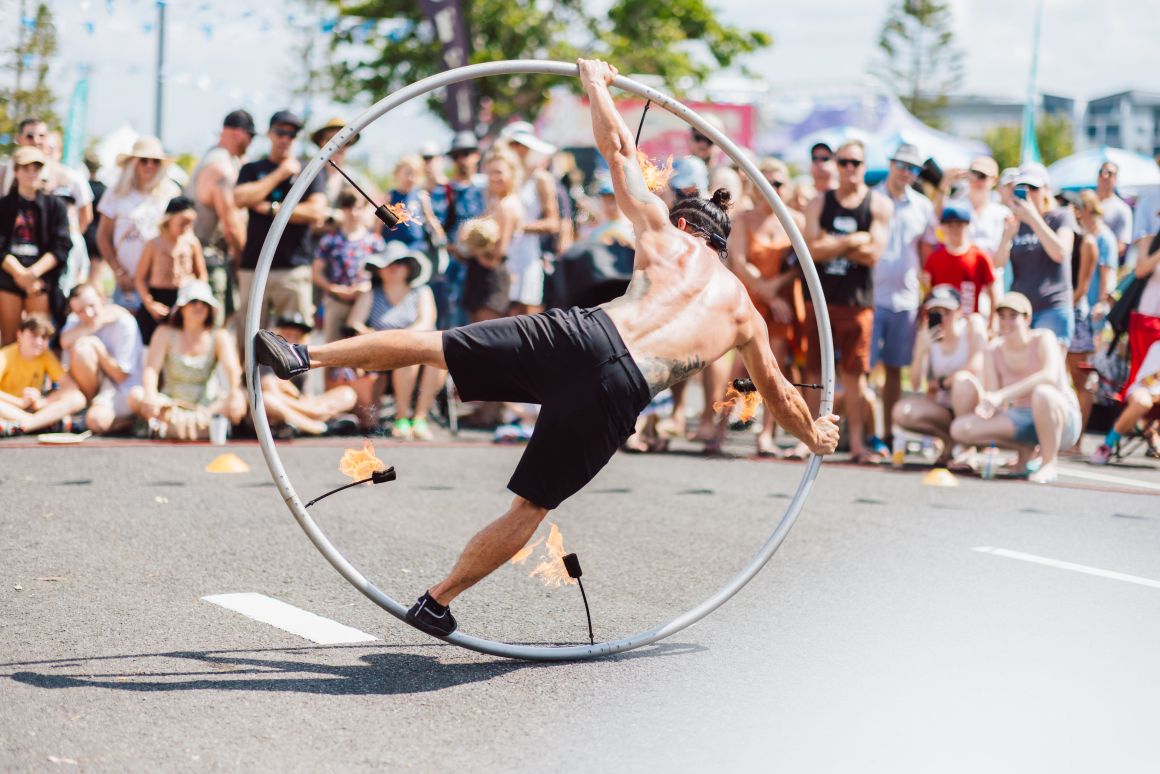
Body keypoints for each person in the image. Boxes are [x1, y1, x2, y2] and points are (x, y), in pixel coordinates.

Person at [253, 58, 840, 638]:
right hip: (623, 391)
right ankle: (437, 600)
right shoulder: (743, 311)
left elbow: (618, 151)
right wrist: (815, 434)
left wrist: (595, 84)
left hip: (582, 338)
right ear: (720, 244)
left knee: (434, 344)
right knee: (530, 509)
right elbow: (781, 395)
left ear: (686, 228)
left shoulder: (664, 233)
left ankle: (307, 357)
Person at [802, 139, 892, 463]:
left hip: (857, 303)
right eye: (843, 162)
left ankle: (856, 444)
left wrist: (832, 243)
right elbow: (811, 249)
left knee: (855, 377)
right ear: (836, 166)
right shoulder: (819, 202)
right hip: (821, 301)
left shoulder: (878, 204)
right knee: (814, 373)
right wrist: (855, 239)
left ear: (865, 166)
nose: (849, 168)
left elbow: (873, 255)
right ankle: (807, 438)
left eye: (855, 162)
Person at [950, 293, 1081, 484]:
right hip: (1022, 418)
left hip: (1062, 421)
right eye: (1002, 317)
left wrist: (1002, 396)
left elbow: (1049, 376)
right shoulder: (993, 349)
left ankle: (1048, 463)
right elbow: (994, 397)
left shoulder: (1044, 338)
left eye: (1013, 316)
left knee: (1042, 393)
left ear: (1027, 319)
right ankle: (1024, 451)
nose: (1006, 322)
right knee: (960, 428)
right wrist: (988, 407)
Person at [725, 157, 807, 456]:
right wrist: (770, 294)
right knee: (739, 367)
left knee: (776, 369)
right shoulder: (744, 220)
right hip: (752, 302)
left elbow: (803, 265)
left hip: (783, 305)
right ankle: (717, 426)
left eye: (778, 183)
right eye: (766, 182)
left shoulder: (796, 221)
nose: (771, 189)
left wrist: (778, 289)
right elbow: (740, 262)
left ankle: (766, 434)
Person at [234, 110, 328, 357]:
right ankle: (250, 393)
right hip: (254, 267)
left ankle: (295, 391)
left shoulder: (309, 169)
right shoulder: (253, 168)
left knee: (295, 340)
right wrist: (281, 174)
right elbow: (241, 197)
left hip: (293, 267)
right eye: (280, 132)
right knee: (248, 339)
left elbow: (317, 211)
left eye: (292, 133)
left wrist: (272, 208)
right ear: (269, 133)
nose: (285, 138)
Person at [871, 143, 939, 450]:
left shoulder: (923, 206)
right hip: (871, 295)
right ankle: (865, 431)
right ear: (890, 164)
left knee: (896, 369)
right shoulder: (872, 197)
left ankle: (889, 432)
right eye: (901, 165)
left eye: (912, 168)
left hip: (906, 298)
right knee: (863, 368)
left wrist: (927, 295)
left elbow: (926, 252)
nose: (906, 172)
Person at [128, 280, 246, 440]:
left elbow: (233, 371)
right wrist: (149, 393)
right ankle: (201, 430)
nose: (199, 306)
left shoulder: (219, 336)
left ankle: (170, 430)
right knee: (136, 395)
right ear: (181, 308)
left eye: (204, 303)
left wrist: (235, 394)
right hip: (170, 405)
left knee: (242, 397)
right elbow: (151, 369)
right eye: (193, 302)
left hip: (207, 407)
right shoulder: (164, 333)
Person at [346, 243, 438, 440]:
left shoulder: (422, 292)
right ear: (380, 270)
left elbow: (427, 322)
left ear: (409, 268)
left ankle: (419, 419)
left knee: (437, 362)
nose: (394, 267)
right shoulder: (371, 294)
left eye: (400, 263)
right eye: (389, 263)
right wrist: (375, 336)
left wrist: (402, 338)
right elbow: (355, 322)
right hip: (380, 352)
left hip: (416, 348)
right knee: (406, 357)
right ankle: (402, 418)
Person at [892, 285, 986, 466]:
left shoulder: (972, 326)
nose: (942, 318)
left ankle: (967, 448)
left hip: (973, 407)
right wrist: (922, 351)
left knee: (961, 381)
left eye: (947, 312)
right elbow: (914, 383)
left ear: (959, 312)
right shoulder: (926, 335)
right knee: (902, 412)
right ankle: (950, 444)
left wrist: (943, 383)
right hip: (944, 408)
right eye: (936, 312)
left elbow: (974, 367)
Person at [1091, 226, 1160, 463]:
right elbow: (1141, 270)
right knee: (1141, 399)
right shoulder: (1149, 240)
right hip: (1146, 326)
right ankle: (1108, 445)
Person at [993, 164, 1076, 349]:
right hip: (1019, 309)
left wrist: (1033, 219)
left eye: (1034, 188)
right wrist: (1007, 236)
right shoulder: (1014, 221)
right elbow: (997, 264)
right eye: (1023, 188)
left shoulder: (1060, 216)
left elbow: (1061, 253)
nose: (1029, 193)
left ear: (1046, 190)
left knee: (1050, 371)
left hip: (1053, 306)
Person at [96, 136, 181, 314]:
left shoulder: (171, 193)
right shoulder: (116, 193)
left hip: (161, 280)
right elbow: (103, 236)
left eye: (155, 161)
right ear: (133, 163)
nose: (150, 165)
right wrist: (118, 271)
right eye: (144, 160)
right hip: (127, 278)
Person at [0, 146, 72, 344]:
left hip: (40, 280)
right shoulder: (4, 205)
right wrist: (19, 273)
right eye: (25, 168)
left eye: (36, 168)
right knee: (9, 340)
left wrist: (33, 273)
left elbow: (62, 245)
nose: (31, 173)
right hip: (8, 277)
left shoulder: (54, 205)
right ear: (16, 171)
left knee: (39, 338)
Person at [190, 109, 254, 327]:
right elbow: (230, 223)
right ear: (239, 133)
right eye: (251, 136)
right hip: (207, 259)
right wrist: (246, 256)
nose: (251, 143)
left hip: (204, 256)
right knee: (214, 325)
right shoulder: (220, 168)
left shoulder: (214, 158)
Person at [59, 283, 144, 435]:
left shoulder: (124, 322)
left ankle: (130, 421)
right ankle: (91, 409)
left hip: (123, 389)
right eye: (80, 311)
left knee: (97, 421)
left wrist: (97, 347)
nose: (88, 313)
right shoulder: (75, 321)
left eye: (91, 305)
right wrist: (92, 327)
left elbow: (121, 376)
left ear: (102, 299)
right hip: (98, 388)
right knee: (81, 349)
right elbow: (64, 340)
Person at [1068, 190, 1118, 435]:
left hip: (1089, 313)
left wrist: (1100, 305)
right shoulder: (1082, 236)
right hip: (1080, 308)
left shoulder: (1102, 238)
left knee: (1083, 377)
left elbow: (1106, 277)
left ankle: (1077, 438)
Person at [259, 313, 357, 437]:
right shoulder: (267, 359)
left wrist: (303, 401)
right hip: (278, 407)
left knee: (347, 393)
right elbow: (271, 393)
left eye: (297, 336)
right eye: (288, 335)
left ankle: (301, 424)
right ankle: (320, 427)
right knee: (268, 401)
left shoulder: (301, 360)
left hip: (298, 406)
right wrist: (314, 411)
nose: (292, 340)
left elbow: (306, 396)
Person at [498, 121, 560, 315]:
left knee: (528, 316)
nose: (517, 150)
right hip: (502, 254)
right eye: (513, 145)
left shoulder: (540, 178)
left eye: (521, 145)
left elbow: (553, 223)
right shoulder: (502, 179)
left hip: (528, 256)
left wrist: (518, 227)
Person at [134, 196, 207, 345]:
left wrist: (195, 299)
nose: (186, 227)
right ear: (169, 219)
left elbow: (202, 275)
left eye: (190, 223)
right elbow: (140, 278)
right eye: (183, 223)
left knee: (179, 342)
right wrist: (150, 304)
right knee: (151, 342)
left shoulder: (192, 243)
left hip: (183, 298)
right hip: (157, 298)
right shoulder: (153, 244)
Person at [461, 147, 522, 323]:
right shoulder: (495, 201)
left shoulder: (506, 206)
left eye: (499, 172)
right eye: (490, 172)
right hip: (482, 275)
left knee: (483, 338)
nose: (494, 177)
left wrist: (470, 249)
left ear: (512, 173)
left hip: (491, 277)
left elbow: (498, 253)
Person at [0, 314, 87, 436]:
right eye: (34, 335)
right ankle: (43, 424)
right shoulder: (5, 355)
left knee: (78, 398)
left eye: (44, 337)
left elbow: (70, 387)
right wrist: (19, 402)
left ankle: (24, 426)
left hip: (34, 409)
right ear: (19, 334)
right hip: (10, 408)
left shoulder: (45, 355)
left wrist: (43, 402)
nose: (39, 342)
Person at [922, 202, 997, 320]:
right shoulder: (934, 258)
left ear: (968, 226)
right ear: (943, 227)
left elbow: (993, 292)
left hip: (969, 322)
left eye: (959, 225)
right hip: (941, 322)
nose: (955, 230)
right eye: (950, 225)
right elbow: (927, 293)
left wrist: (991, 324)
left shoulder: (979, 257)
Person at [1095, 161, 1132, 263]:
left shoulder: (1122, 209)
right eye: (1101, 172)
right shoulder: (1085, 203)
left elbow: (1121, 245)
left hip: (1103, 266)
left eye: (1109, 173)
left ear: (1115, 179)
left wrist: (1095, 256)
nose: (1104, 176)